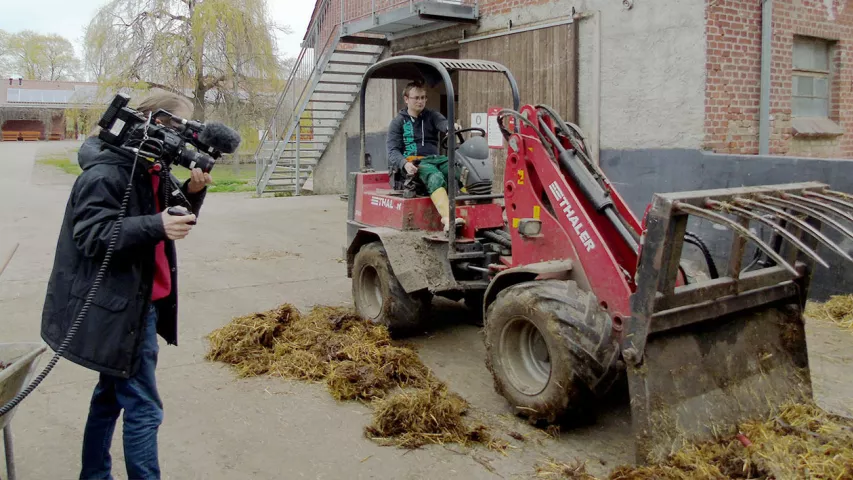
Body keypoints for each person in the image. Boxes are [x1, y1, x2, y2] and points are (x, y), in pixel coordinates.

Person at [40, 91, 212, 480]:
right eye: (176, 127)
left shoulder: (148, 165)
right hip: (122, 309)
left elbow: (174, 213)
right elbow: (92, 235)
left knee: (108, 399)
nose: (182, 139)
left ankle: (94, 474)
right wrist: (155, 224)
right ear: (151, 124)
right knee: (143, 408)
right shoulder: (105, 173)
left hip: (136, 301)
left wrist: (193, 192)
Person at [386, 81, 463, 231]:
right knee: (435, 177)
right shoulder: (398, 122)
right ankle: (449, 219)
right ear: (406, 99)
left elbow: (442, 122)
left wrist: (450, 127)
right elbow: (393, 151)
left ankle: (474, 208)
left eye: (423, 97)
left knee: (461, 170)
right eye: (416, 98)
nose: (420, 101)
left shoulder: (431, 116)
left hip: (435, 159)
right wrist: (404, 164)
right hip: (414, 163)